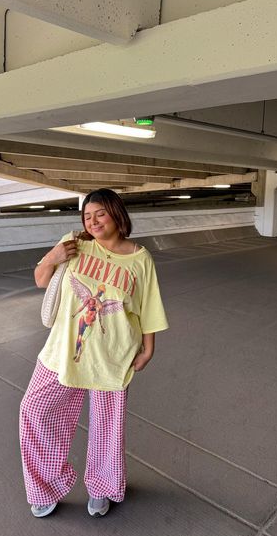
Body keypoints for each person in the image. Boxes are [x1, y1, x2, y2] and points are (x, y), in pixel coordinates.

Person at [19, 188, 169, 518]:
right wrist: (54, 256)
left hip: (112, 355)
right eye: (87, 216)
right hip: (62, 350)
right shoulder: (75, 243)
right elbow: (41, 280)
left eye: (100, 213)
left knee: (106, 427)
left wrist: (149, 349)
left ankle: (102, 487)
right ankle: (46, 484)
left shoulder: (140, 259)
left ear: (117, 213)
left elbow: (149, 310)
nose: (93, 221)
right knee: (35, 410)